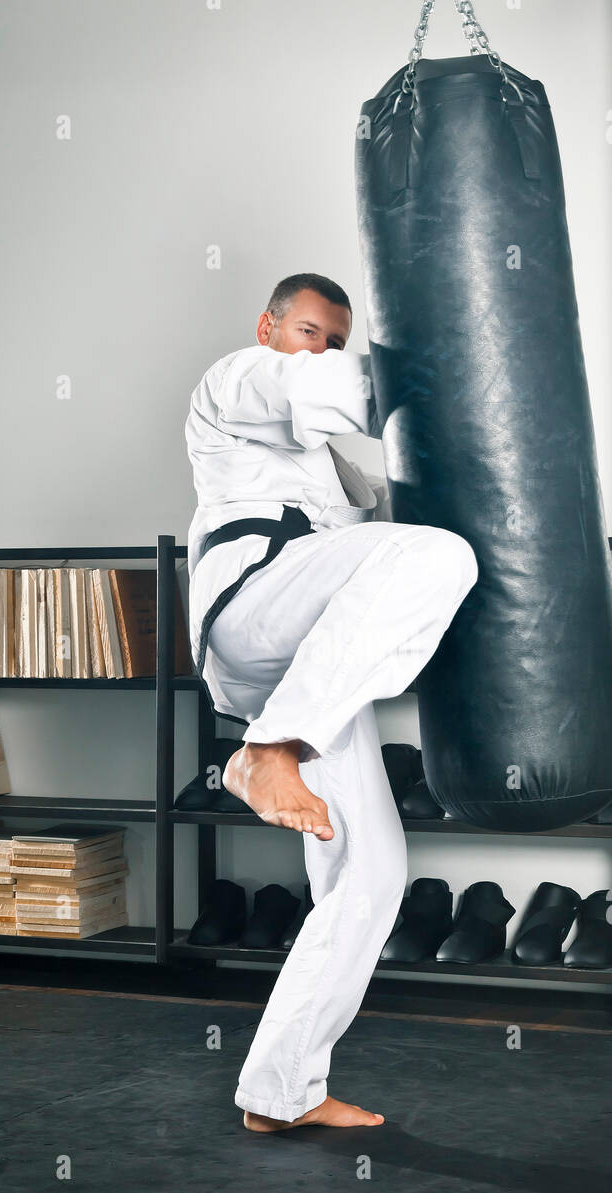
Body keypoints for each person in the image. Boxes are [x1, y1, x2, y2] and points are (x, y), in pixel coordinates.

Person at [185, 272, 478, 1133]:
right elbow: (316, 386)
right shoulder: (235, 383)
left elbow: (379, 555)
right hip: (250, 613)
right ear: (269, 327)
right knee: (439, 558)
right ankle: (267, 754)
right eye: (311, 329)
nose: (322, 347)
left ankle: (280, 1094)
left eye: (335, 338)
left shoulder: (339, 474)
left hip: (305, 672)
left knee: (374, 874)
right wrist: (452, 361)